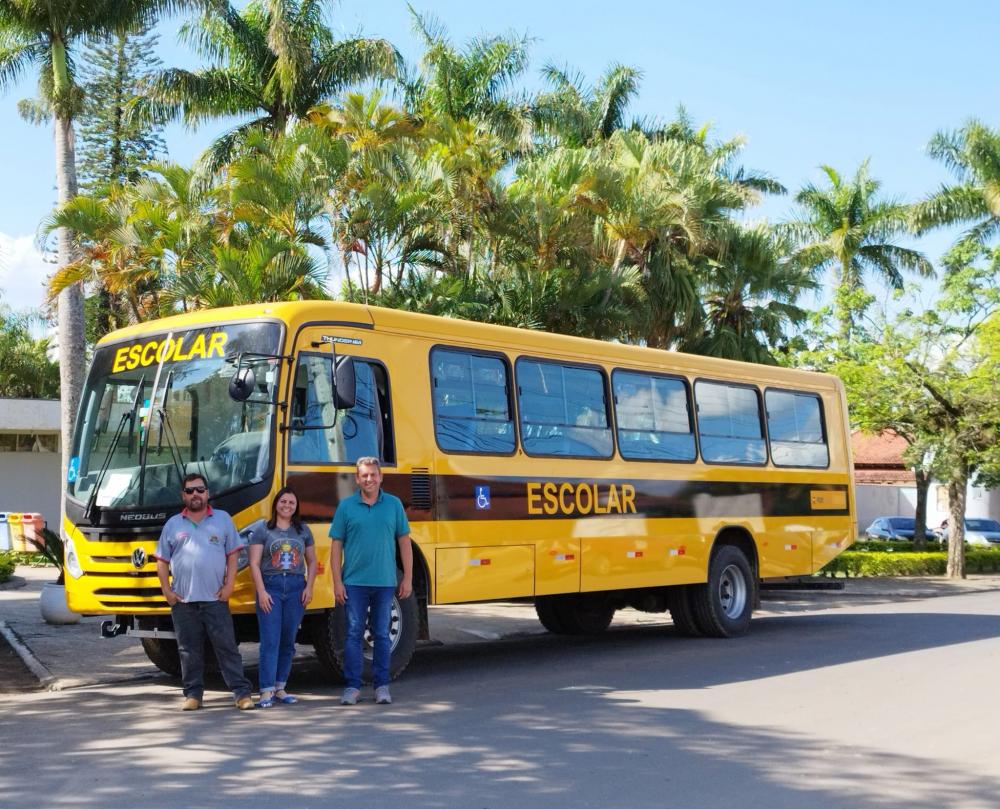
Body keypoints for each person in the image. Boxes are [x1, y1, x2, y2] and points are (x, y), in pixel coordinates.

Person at [154, 473, 254, 711]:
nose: (195, 494)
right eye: (190, 491)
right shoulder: (173, 524)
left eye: (200, 489)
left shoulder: (222, 519)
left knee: (226, 647)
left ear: (207, 493)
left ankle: (241, 694)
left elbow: (233, 554)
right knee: (188, 650)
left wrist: (230, 585)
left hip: (215, 599)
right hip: (183, 601)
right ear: (183, 496)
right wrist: (167, 591)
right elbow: (161, 560)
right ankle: (193, 695)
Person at [329, 457, 413, 705]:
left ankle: (381, 686)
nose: (369, 479)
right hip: (353, 582)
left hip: (385, 582)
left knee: (381, 634)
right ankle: (352, 687)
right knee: (354, 633)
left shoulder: (394, 505)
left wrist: (407, 578)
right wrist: (336, 581)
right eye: (364, 475)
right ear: (357, 479)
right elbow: (336, 547)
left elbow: (404, 542)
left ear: (381, 477)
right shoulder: (346, 507)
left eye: (373, 475)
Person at [248, 486, 317, 708]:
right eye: (283, 501)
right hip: (272, 587)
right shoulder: (262, 530)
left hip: (297, 587)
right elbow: (254, 563)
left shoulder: (303, 530)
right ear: (276, 504)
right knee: (270, 639)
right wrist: (261, 592)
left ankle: (280, 687)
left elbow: (313, 561)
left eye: (291, 503)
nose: (287, 505)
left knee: (288, 640)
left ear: (296, 507)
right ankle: (265, 690)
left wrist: (309, 587)